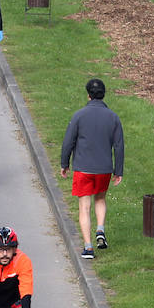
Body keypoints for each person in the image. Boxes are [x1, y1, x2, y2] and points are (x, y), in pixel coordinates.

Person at [59, 78, 124, 259]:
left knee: (84, 207)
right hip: (104, 168)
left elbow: (68, 142)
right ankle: (100, 229)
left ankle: (88, 247)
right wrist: (118, 170)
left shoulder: (79, 115)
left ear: (88, 95)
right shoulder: (113, 117)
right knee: (100, 198)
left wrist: (64, 164)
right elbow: (119, 146)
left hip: (83, 168)